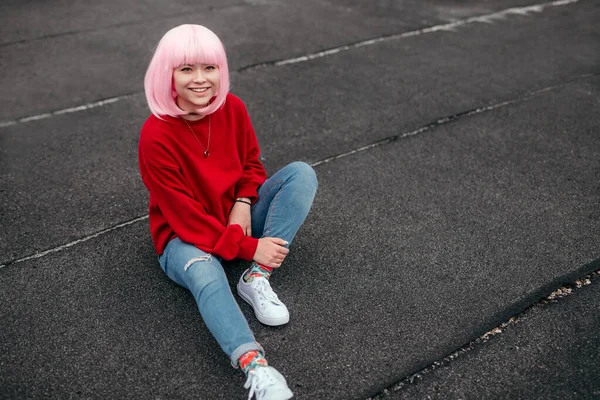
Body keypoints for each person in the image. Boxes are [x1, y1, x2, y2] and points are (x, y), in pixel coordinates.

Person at [138, 24, 317, 400]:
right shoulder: (155, 136)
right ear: (166, 74)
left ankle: (255, 278)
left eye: (210, 67)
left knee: (301, 174)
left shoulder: (232, 108)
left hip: (234, 220)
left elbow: (252, 165)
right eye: (186, 69)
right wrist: (249, 246)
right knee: (206, 273)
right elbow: (185, 218)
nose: (201, 80)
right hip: (182, 238)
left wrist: (243, 203)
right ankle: (255, 364)